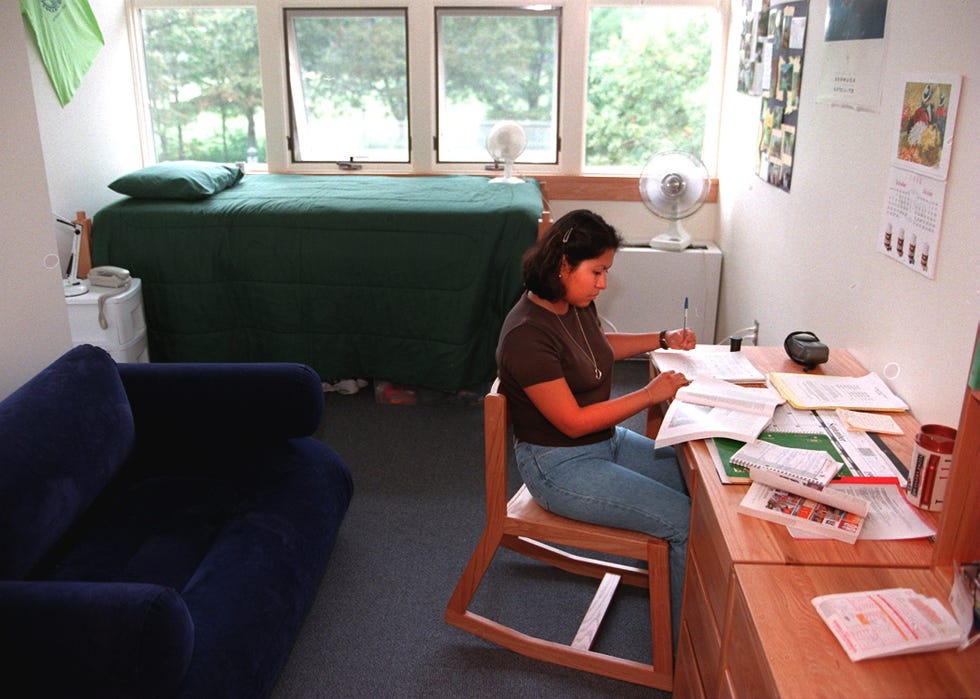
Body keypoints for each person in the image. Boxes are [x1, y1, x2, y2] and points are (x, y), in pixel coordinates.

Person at [495, 209, 695, 646]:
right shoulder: (527, 335)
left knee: (694, 484)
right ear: (563, 265)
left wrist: (662, 339)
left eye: (606, 271)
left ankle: (666, 577)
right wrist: (649, 393)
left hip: (601, 443)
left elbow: (599, 350)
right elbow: (572, 423)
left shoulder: (572, 303)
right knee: (683, 519)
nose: (603, 282)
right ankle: (686, 655)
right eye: (598, 271)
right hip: (559, 467)